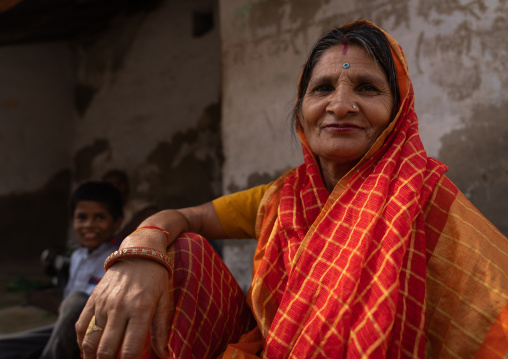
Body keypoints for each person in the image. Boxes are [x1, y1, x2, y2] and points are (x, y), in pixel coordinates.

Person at [76, 20, 508, 358]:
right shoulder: (282, 197)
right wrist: (139, 253)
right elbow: (186, 219)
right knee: (179, 253)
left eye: (367, 88)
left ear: (398, 114)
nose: (340, 105)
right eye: (322, 88)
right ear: (301, 112)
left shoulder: (425, 199)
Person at [0, 182, 123, 359]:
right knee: (7, 346)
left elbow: (82, 308)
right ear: (73, 220)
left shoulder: (118, 258)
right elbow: (67, 312)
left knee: (77, 301)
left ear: (117, 222)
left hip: (98, 332)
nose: (89, 225)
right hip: (67, 329)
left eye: (100, 217)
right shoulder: (77, 256)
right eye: (82, 217)